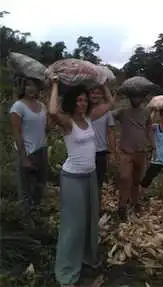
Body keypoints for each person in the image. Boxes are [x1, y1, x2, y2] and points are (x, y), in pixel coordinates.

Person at [48, 76, 113, 287]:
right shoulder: (68, 122)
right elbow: (51, 112)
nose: (82, 103)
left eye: (84, 100)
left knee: (89, 221)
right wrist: (56, 84)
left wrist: (103, 82)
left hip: (90, 175)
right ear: (72, 102)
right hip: (73, 178)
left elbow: (109, 102)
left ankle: (87, 257)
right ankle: (67, 270)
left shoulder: (90, 117)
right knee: (73, 225)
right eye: (78, 100)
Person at [113, 91, 155, 220]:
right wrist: (115, 96)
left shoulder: (146, 113)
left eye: (139, 96)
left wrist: (153, 144)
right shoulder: (122, 112)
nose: (136, 98)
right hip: (126, 152)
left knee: (137, 181)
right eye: (134, 95)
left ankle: (135, 203)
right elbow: (108, 115)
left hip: (141, 151)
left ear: (143, 98)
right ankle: (122, 207)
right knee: (125, 178)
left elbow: (148, 128)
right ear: (130, 97)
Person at [10, 77, 48, 213]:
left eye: (34, 86)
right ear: (23, 88)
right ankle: (26, 222)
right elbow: (17, 134)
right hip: (27, 152)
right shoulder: (18, 106)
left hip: (42, 150)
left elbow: (44, 128)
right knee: (26, 191)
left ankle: (36, 218)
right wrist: (24, 158)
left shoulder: (42, 106)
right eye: (28, 85)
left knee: (39, 187)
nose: (32, 89)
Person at [89, 86, 117, 202]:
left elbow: (110, 132)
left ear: (102, 95)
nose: (95, 95)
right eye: (92, 92)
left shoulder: (107, 113)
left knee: (98, 183)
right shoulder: (83, 110)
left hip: (101, 152)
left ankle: (96, 209)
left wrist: (112, 152)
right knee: (85, 182)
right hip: (85, 152)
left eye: (98, 93)